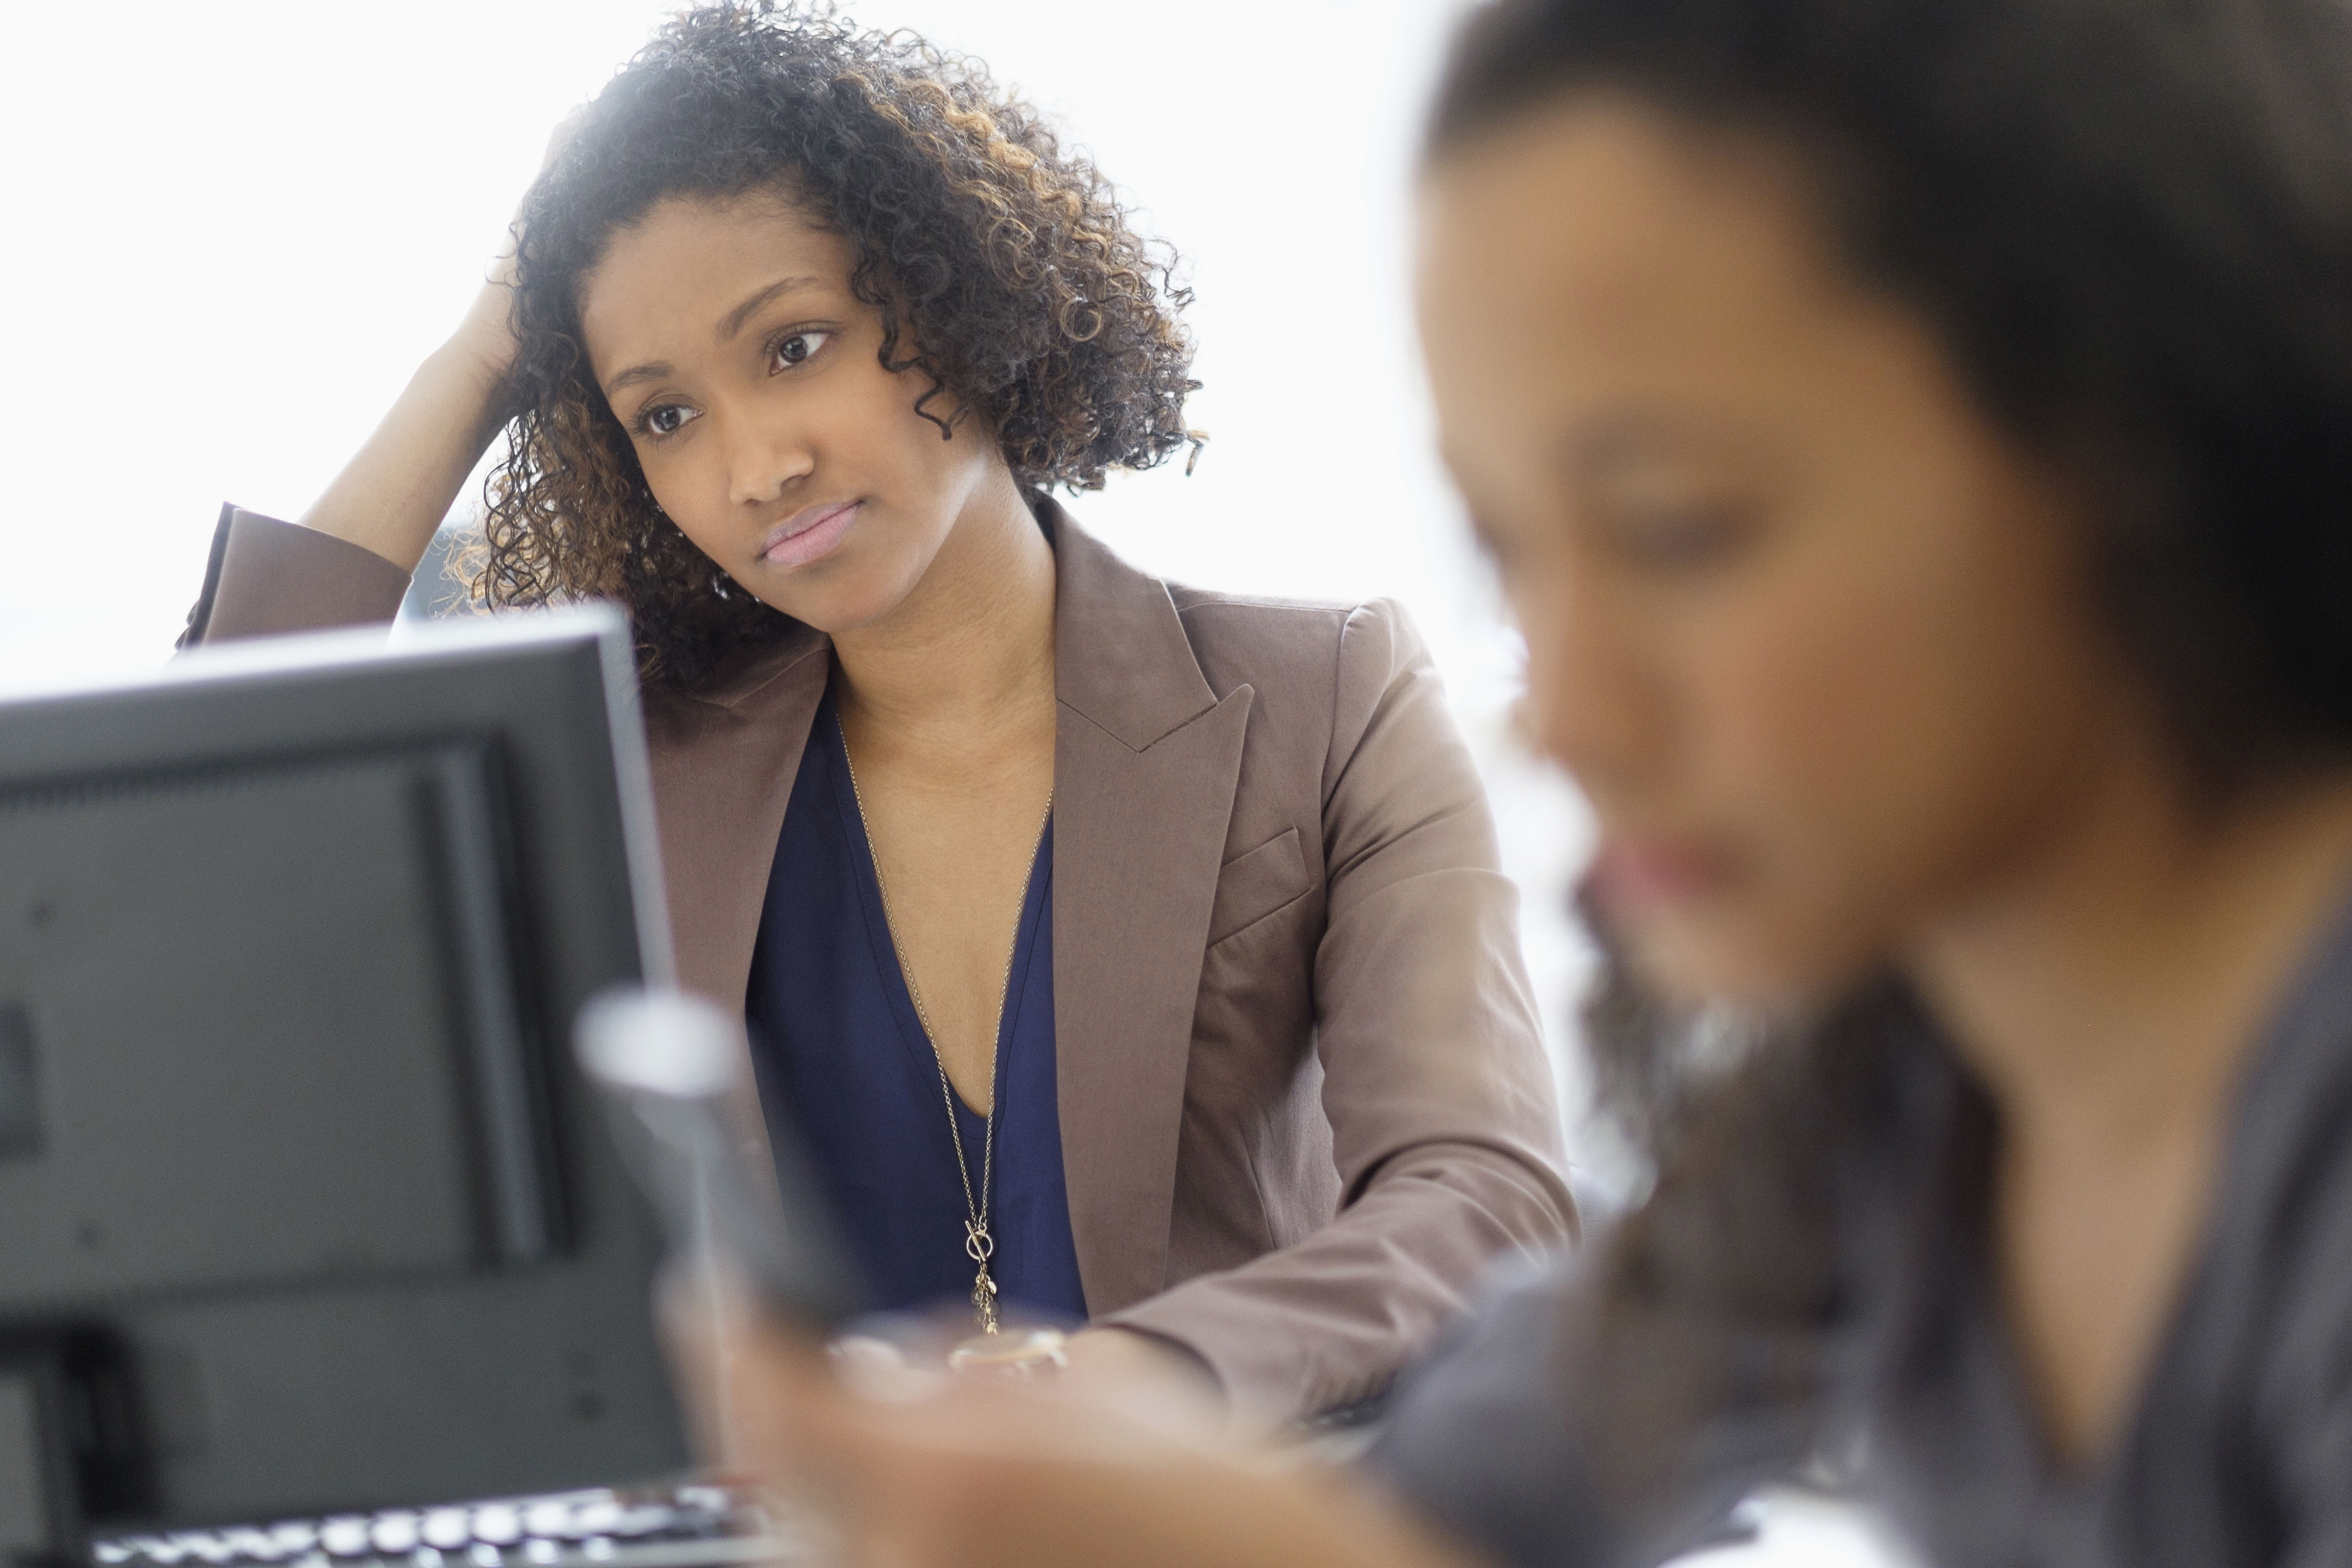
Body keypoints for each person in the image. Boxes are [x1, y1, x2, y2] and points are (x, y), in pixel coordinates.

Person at [681, 0, 2352, 1562]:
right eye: (1508, 555)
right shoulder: (1905, 1095)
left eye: (1678, 528)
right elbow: (1484, 1480)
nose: (1561, 716)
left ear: (2145, 429)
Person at [177, 5, 1572, 1421]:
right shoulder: (627, 759)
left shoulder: (1328, 696)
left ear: (954, 296)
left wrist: (1127, 1383)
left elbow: (1486, 1201)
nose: (755, 465)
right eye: (663, 415)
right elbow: (202, 833)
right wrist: (477, 359)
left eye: (793, 347)